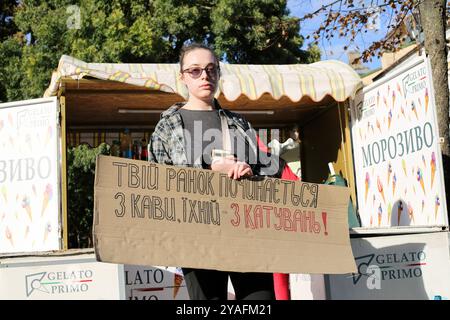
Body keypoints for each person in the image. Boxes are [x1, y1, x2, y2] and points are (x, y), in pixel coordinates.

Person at [148, 43, 282, 300]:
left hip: (246, 231)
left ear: (219, 73)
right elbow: (159, 184)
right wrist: (209, 167)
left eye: (211, 69)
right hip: (195, 236)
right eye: (195, 70)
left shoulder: (239, 123)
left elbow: (269, 171)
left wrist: (250, 172)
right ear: (183, 77)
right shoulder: (167, 127)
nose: (205, 76)